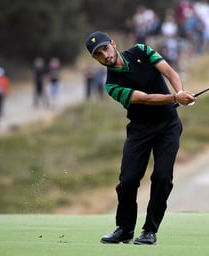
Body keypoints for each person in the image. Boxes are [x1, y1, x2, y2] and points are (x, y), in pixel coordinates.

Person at [85, 31, 195, 245]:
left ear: (113, 44)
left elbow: (170, 72)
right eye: (98, 54)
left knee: (162, 178)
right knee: (127, 181)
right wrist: (175, 97)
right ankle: (125, 229)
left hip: (168, 126)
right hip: (140, 130)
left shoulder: (142, 51)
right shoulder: (111, 85)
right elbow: (144, 99)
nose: (105, 55)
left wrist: (180, 92)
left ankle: (149, 231)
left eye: (105, 48)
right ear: (95, 59)